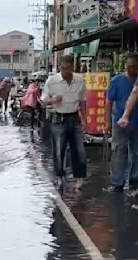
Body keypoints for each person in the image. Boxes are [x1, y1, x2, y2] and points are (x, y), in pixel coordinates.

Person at [41, 54, 87, 190]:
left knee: (78, 150)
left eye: (68, 68)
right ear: (60, 67)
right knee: (58, 150)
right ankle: (60, 177)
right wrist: (52, 100)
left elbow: (83, 101)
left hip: (74, 117)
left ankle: (79, 178)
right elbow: (43, 100)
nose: (65, 71)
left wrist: (84, 119)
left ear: (72, 67)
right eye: (63, 68)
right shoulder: (52, 81)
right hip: (58, 118)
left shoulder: (79, 80)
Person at [108, 53, 138, 193]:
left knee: (136, 152)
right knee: (119, 151)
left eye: (134, 67)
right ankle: (117, 182)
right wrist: (108, 122)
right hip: (119, 121)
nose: (131, 69)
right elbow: (109, 102)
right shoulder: (116, 80)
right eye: (129, 66)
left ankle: (134, 181)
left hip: (136, 122)